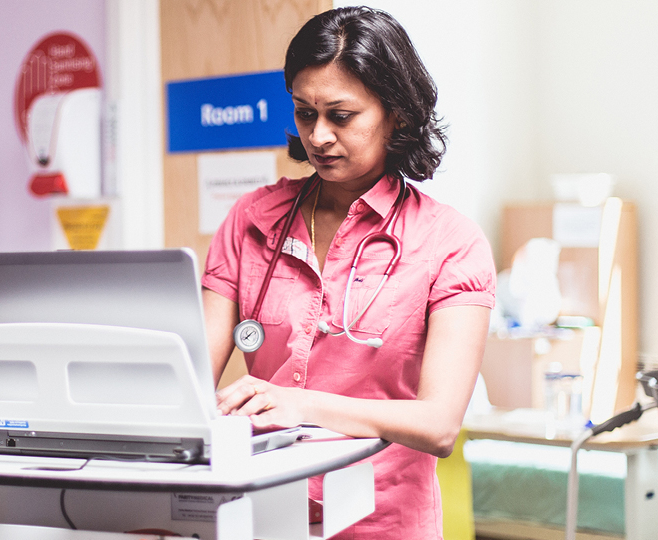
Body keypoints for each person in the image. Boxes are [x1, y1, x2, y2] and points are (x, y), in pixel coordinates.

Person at [201, 6, 496, 539]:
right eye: (305, 113)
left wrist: (298, 404)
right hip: (262, 515)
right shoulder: (251, 220)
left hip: (378, 524)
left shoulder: (451, 243)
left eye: (341, 116)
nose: (318, 137)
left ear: (397, 114)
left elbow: (439, 425)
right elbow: (191, 372)